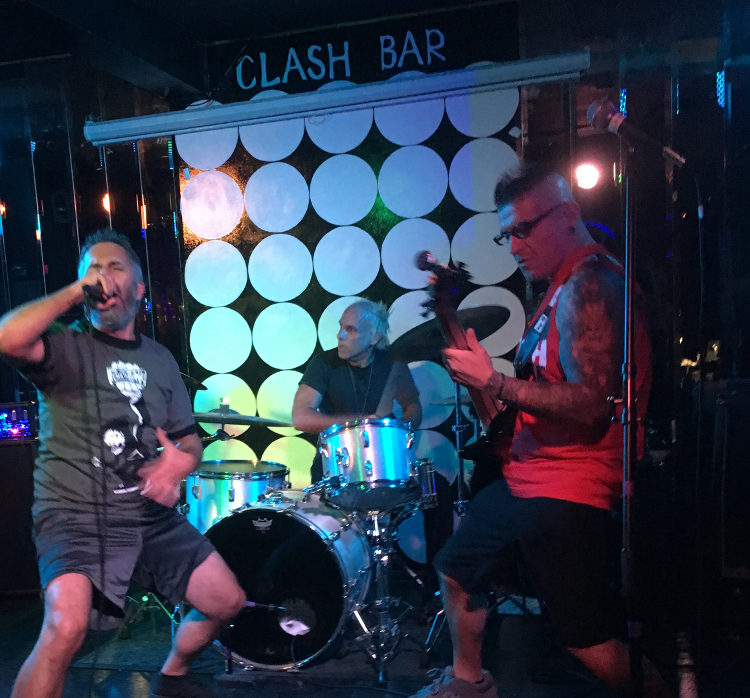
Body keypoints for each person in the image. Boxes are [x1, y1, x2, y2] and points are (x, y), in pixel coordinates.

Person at [410, 163, 669, 698]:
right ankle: (469, 683)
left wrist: (494, 381)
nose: (514, 246)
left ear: (568, 215)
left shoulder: (591, 285)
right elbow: (532, 400)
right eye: (507, 234)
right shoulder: (560, 288)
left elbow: (592, 404)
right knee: (458, 567)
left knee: (587, 641)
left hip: (570, 488)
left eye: (524, 229)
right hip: (532, 476)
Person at [0, 229, 246, 698]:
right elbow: (6, 337)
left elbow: (189, 442)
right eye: (92, 269)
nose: (102, 276)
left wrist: (178, 465)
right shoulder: (63, 345)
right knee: (66, 626)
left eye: (114, 266)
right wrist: (73, 291)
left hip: (148, 516)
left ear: (139, 286)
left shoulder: (160, 360)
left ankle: (173, 672)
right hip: (74, 515)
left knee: (227, 601)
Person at [293, 298, 423, 480]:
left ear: (374, 337)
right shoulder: (323, 363)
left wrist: (397, 435)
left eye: (351, 330)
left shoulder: (392, 362)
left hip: (384, 461)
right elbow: (300, 418)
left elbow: (412, 406)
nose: (340, 335)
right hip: (336, 464)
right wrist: (362, 424)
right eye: (341, 327)